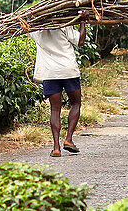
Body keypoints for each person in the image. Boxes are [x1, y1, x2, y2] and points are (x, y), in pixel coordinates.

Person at [29, 21, 86, 157]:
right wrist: (83, 22)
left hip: (50, 73)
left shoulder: (37, 30)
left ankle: (56, 148)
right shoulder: (64, 25)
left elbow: (25, 27)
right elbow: (80, 41)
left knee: (55, 109)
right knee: (76, 103)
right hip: (68, 70)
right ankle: (68, 139)